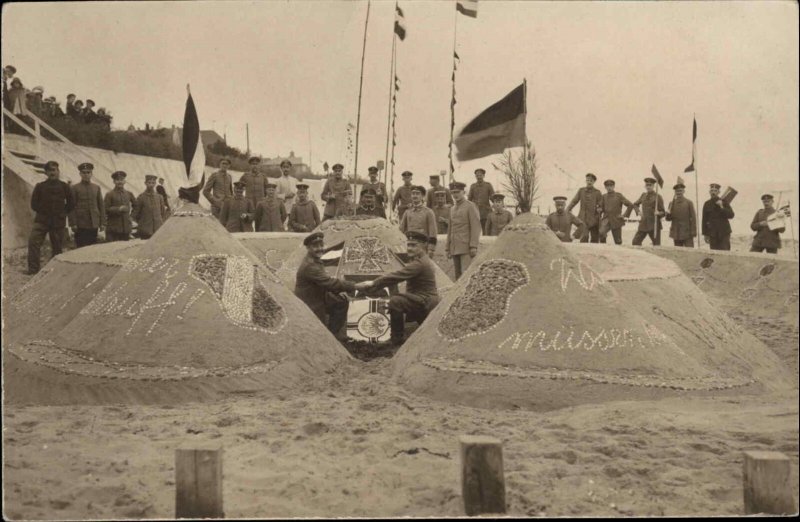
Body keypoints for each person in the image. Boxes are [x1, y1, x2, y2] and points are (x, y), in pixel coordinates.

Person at [356, 231, 440, 346]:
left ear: (423, 246)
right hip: (423, 299)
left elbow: (396, 276)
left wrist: (372, 283)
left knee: (396, 302)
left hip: (426, 301)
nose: (409, 248)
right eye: (408, 244)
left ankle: (397, 339)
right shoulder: (420, 260)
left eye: (413, 245)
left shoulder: (419, 263)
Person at [295, 231, 356, 340]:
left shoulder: (315, 260)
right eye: (315, 246)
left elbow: (325, 282)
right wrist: (355, 286)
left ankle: (332, 335)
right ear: (308, 248)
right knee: (316, 329)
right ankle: (328, 338)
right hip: (310, 301)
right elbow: (329, 283)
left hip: (318, 295)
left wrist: (338, 291)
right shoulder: (310, 265)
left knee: (340, 301)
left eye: (321, 245)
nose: (320, 249)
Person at [27, 161, 75, 275]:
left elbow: (71, 203)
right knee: (33, 242)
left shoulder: (65, 186)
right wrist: (44, 212)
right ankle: (33, 269)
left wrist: (62, 213)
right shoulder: (40, 186)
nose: (52, 172)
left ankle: (55, 270)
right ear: (46, 173)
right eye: (49, 170)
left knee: (57, 246)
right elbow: (34, 204)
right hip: (42, 221)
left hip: (58, 221)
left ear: (58, 171)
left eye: (54, 170)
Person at [447, 181, 481, 279]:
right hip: (454, 247)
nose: (455, 195)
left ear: (463, 192)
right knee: (457, 276)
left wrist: (473, 246)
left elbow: (476, 227)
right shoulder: (452, 209)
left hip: (466, 247)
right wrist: (447, 247)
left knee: (466, 275)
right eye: (453, 192)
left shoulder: (470, 206)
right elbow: (450, 229)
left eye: (458, 192)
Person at [68, 162, 105, 248]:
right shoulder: (74, 188)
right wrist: (73, 223)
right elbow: (71, 207)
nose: (86, 175)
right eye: (84, 172)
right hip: (81, 224)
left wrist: (102, 223)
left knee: (92, 247)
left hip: (93, 223)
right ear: (80, 174)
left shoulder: (96, 188)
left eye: (88, 172)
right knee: (80, 247)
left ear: (91, 174)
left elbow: (101, 206)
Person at [399, 185, 438, 255]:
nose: (415, 196)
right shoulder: (407, 212)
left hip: (423, 246)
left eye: (417, 193)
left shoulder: (428, 212)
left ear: (422, 196)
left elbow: (433, 232)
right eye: (413, 193)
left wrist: (431, 249)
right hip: (410, 246)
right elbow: (401, 230)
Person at [628, 177, 665, 246]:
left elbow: (663, 212)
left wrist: (658, 213)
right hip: (644, 223)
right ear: (645, 186)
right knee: (635, 242)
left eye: (650, 185)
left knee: (656, 244)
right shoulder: (643, 195)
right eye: (647, 185)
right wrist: (638, 212)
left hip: (654, 224)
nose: (648, 187)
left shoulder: (658, 197)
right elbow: (635, 204)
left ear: (653, 186)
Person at [567, 173, 603, 243]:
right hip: (583, 218)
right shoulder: (581, 191)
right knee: (584, 237)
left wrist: (600, 209)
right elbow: (574, 201)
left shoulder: (597, 192)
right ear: (586, 181)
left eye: (591, 181)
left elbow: (601, 204)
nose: (589, 182)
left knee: (595, 239)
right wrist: (567, 210)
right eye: (587, 180)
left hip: (594, 219)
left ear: (594, 182)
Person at [599, 179, 636, 245]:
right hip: (606, 219)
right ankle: (603, 247)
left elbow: (630, 205)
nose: (609, 187)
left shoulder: (619, 196)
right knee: (601, 233)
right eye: (607, 186)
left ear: (614, 186)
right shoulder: (603, 196)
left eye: (611, 186)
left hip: (616, 220)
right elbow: (600, 207)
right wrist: (599, 209)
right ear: (605, 187)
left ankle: (619, 253)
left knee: (618, 240)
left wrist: (624, 215)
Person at [104, 171, 136, 242]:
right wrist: (118, 209)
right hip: (113, 228)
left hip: (126, 228)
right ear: (114, 181)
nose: (120, 182)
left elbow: (136, 206)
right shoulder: (109, 194)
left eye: (121, 180)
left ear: (124, 181)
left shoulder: (129, 194)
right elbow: (105, 209)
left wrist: (131, 217)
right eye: (117, 180)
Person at [132, 174, 168, 239]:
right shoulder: (141, 198)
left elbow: (163, 213)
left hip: (158, 229)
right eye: (149, 183)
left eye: (153, 183)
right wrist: (143, 223)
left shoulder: (159, 197)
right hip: (145, 231)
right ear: (145, 183)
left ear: (155, 184)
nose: (151, 185)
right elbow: (135, 214)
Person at [702, 183, 735, 251]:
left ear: (718, 192)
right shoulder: (707, 204)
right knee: (714, 253)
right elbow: (704, 220)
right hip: (712, 233)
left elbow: (731, 215)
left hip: (724, 232)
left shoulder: (724, 202)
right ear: (709, 192)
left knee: (725, 252)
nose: (713, 192)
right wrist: (705, 234)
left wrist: (721, 206)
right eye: (712, 190)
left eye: (715, 191)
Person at [665, 182, 697, 247]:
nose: (678, 193)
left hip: (687, 233)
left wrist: (693, 231)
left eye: (680, 191)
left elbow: (693, 218)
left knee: (689, 251)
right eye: (677, 191)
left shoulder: (689, 202)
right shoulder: (671, 203)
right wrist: (667, 214)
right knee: (678, 252)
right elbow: (668, 219)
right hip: (676, 233)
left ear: (683, 191)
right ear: (675, 192)